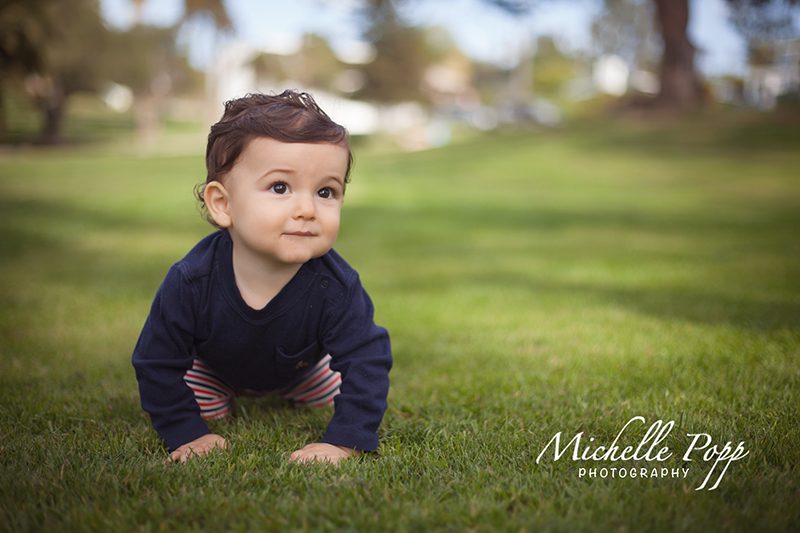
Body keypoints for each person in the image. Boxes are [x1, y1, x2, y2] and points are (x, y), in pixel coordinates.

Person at [132, 90, 392, 464]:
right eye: (280, 187)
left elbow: (367, 359)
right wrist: (186, 434)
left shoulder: (335, 285)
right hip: (214, 371)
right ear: (223, 204)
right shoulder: (192, 280)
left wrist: (344, 441)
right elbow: (157, 360)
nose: (307, 209)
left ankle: (304, 390)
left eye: (325, 191)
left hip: (303, 372)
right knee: (197, 396)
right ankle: (218, 400)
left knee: (337, 388)